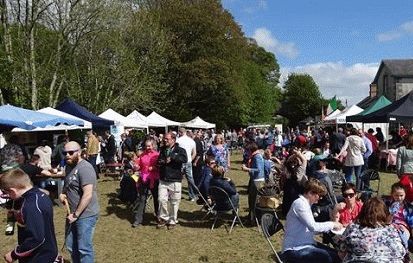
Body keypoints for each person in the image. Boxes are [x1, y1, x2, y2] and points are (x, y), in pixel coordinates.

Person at [0, 168, 58, 263]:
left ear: (13, 191)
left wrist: (14, 254)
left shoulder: (30, 206)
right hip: (48, 252)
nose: (8, 197)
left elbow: (36, 239)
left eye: (7, 193)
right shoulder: (40, 195)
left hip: (39, 257)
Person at [282, 178, 342, 263]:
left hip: (305, 244)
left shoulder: (306, 204)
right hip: (294, 249)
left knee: (337, 255)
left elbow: (309, 229)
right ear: (310, 193)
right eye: (319, 195)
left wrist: (329, 227)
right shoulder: (300, 204)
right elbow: (313, 227)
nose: (320, 198)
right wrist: (332, 224)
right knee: (328, 258)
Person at [59, 141, 99, 263]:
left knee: (84, 248)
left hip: (85, 215)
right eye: (65, 153)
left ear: (80, 152)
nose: (67, 156)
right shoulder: (68, 166)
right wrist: (63, 193)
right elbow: (68, 185)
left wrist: (76, 215)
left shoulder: (85, 168)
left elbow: (87, 195)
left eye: (71, 153)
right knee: (71, 246)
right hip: (71, 214)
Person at [337, 197, 406, 262]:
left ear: (363, 211)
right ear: (384, 213)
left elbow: (341, 253)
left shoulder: (352, 228)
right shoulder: (392, 230)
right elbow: (402, 253)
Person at [157, 132, 187, 230]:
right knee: (161, 200)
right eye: (164, 139)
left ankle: (172, 220)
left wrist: (173, 157)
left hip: (175, 179)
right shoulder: (162, 149)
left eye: (167, 139)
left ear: (173, 139)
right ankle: (163, 218)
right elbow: (159, 160)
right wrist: (162, 161)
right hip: (163, 179)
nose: (164, 140)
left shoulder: (180, 150)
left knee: (174, 202)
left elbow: (184, 159)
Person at [132, 138, 160, 228]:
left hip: (154, 179)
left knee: (156, 198)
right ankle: (138, 219)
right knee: (142, 198)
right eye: (146, 146)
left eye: (149, 146)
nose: (147, 147)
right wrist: (136, 167)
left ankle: (158, 216)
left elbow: (160, 166)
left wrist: (154, 168)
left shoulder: (157, 155)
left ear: (153, 146)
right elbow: (138, 165)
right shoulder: (142, 155)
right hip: (144, 179)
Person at [242, 142, 265, 223]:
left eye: (247, 151)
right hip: (255, 180)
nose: (246, 152)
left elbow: (258, 170)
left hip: (257, 181)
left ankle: (254, 219)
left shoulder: (257, 157)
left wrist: (247, 169)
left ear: (251, 150)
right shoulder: (256, 156)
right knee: (251, 199)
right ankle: (251, 217)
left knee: (254, 201)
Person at [389, 182, 413, 249]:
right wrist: (391, 213)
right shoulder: (388, 205)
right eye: (396, 195)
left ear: (405, 194)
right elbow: (387, 221)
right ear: (392, 195)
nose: (399, 198)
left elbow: (412, 224)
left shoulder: (409, 208)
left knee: (401, 238)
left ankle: (404, 250)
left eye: (401, 195)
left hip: (403, 228)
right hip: (391, 226)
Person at [176, 127, 197, 201]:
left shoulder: (177, 140)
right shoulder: (192, 141)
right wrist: (190, 159)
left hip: (179, 162)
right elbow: (194, 153)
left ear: (180, 132)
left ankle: (177, 194)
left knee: (178, 179)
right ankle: (192, 195)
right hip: (188, 162)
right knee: (190, 179)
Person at [397, 132, 413, 202]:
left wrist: (398, 173)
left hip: (404, 171)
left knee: (403, 190)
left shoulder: (401, 149)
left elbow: (398, 163)